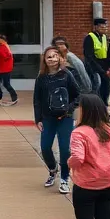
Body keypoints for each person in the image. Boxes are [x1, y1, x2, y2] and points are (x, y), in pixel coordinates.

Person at [33, 46, 80, 195]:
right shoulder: (41, 78)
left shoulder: (67, 75)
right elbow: (37, 100)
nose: (52, 59)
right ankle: (53, 170)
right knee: (45, 147)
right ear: (44, 61)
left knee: (65, 149)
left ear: (60, 58)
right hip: (48, 118)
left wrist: (70, 109)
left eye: (54, 56)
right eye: (48, 57)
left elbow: (77, 95)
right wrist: (38, 118)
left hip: (65, 118)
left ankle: (65, 178)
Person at [82, 18, 110, 100]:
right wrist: (99, 69)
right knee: (96, 86)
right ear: (96, 27)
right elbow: (89, 56)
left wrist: (108, 67)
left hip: (104, 65)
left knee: (106, 87)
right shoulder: (89, 37)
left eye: (105, 27)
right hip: (93, 66)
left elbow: (108, 53)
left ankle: (104, 105)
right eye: (102, 27)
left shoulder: (105, 37)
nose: (104, 29)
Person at [0, 33, 18, 107]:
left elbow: (7, 56)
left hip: (5, 69)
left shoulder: (3, 46)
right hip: (0, 68)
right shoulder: (1, 46)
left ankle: (14, 97)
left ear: (1, 39)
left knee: (6, 84)